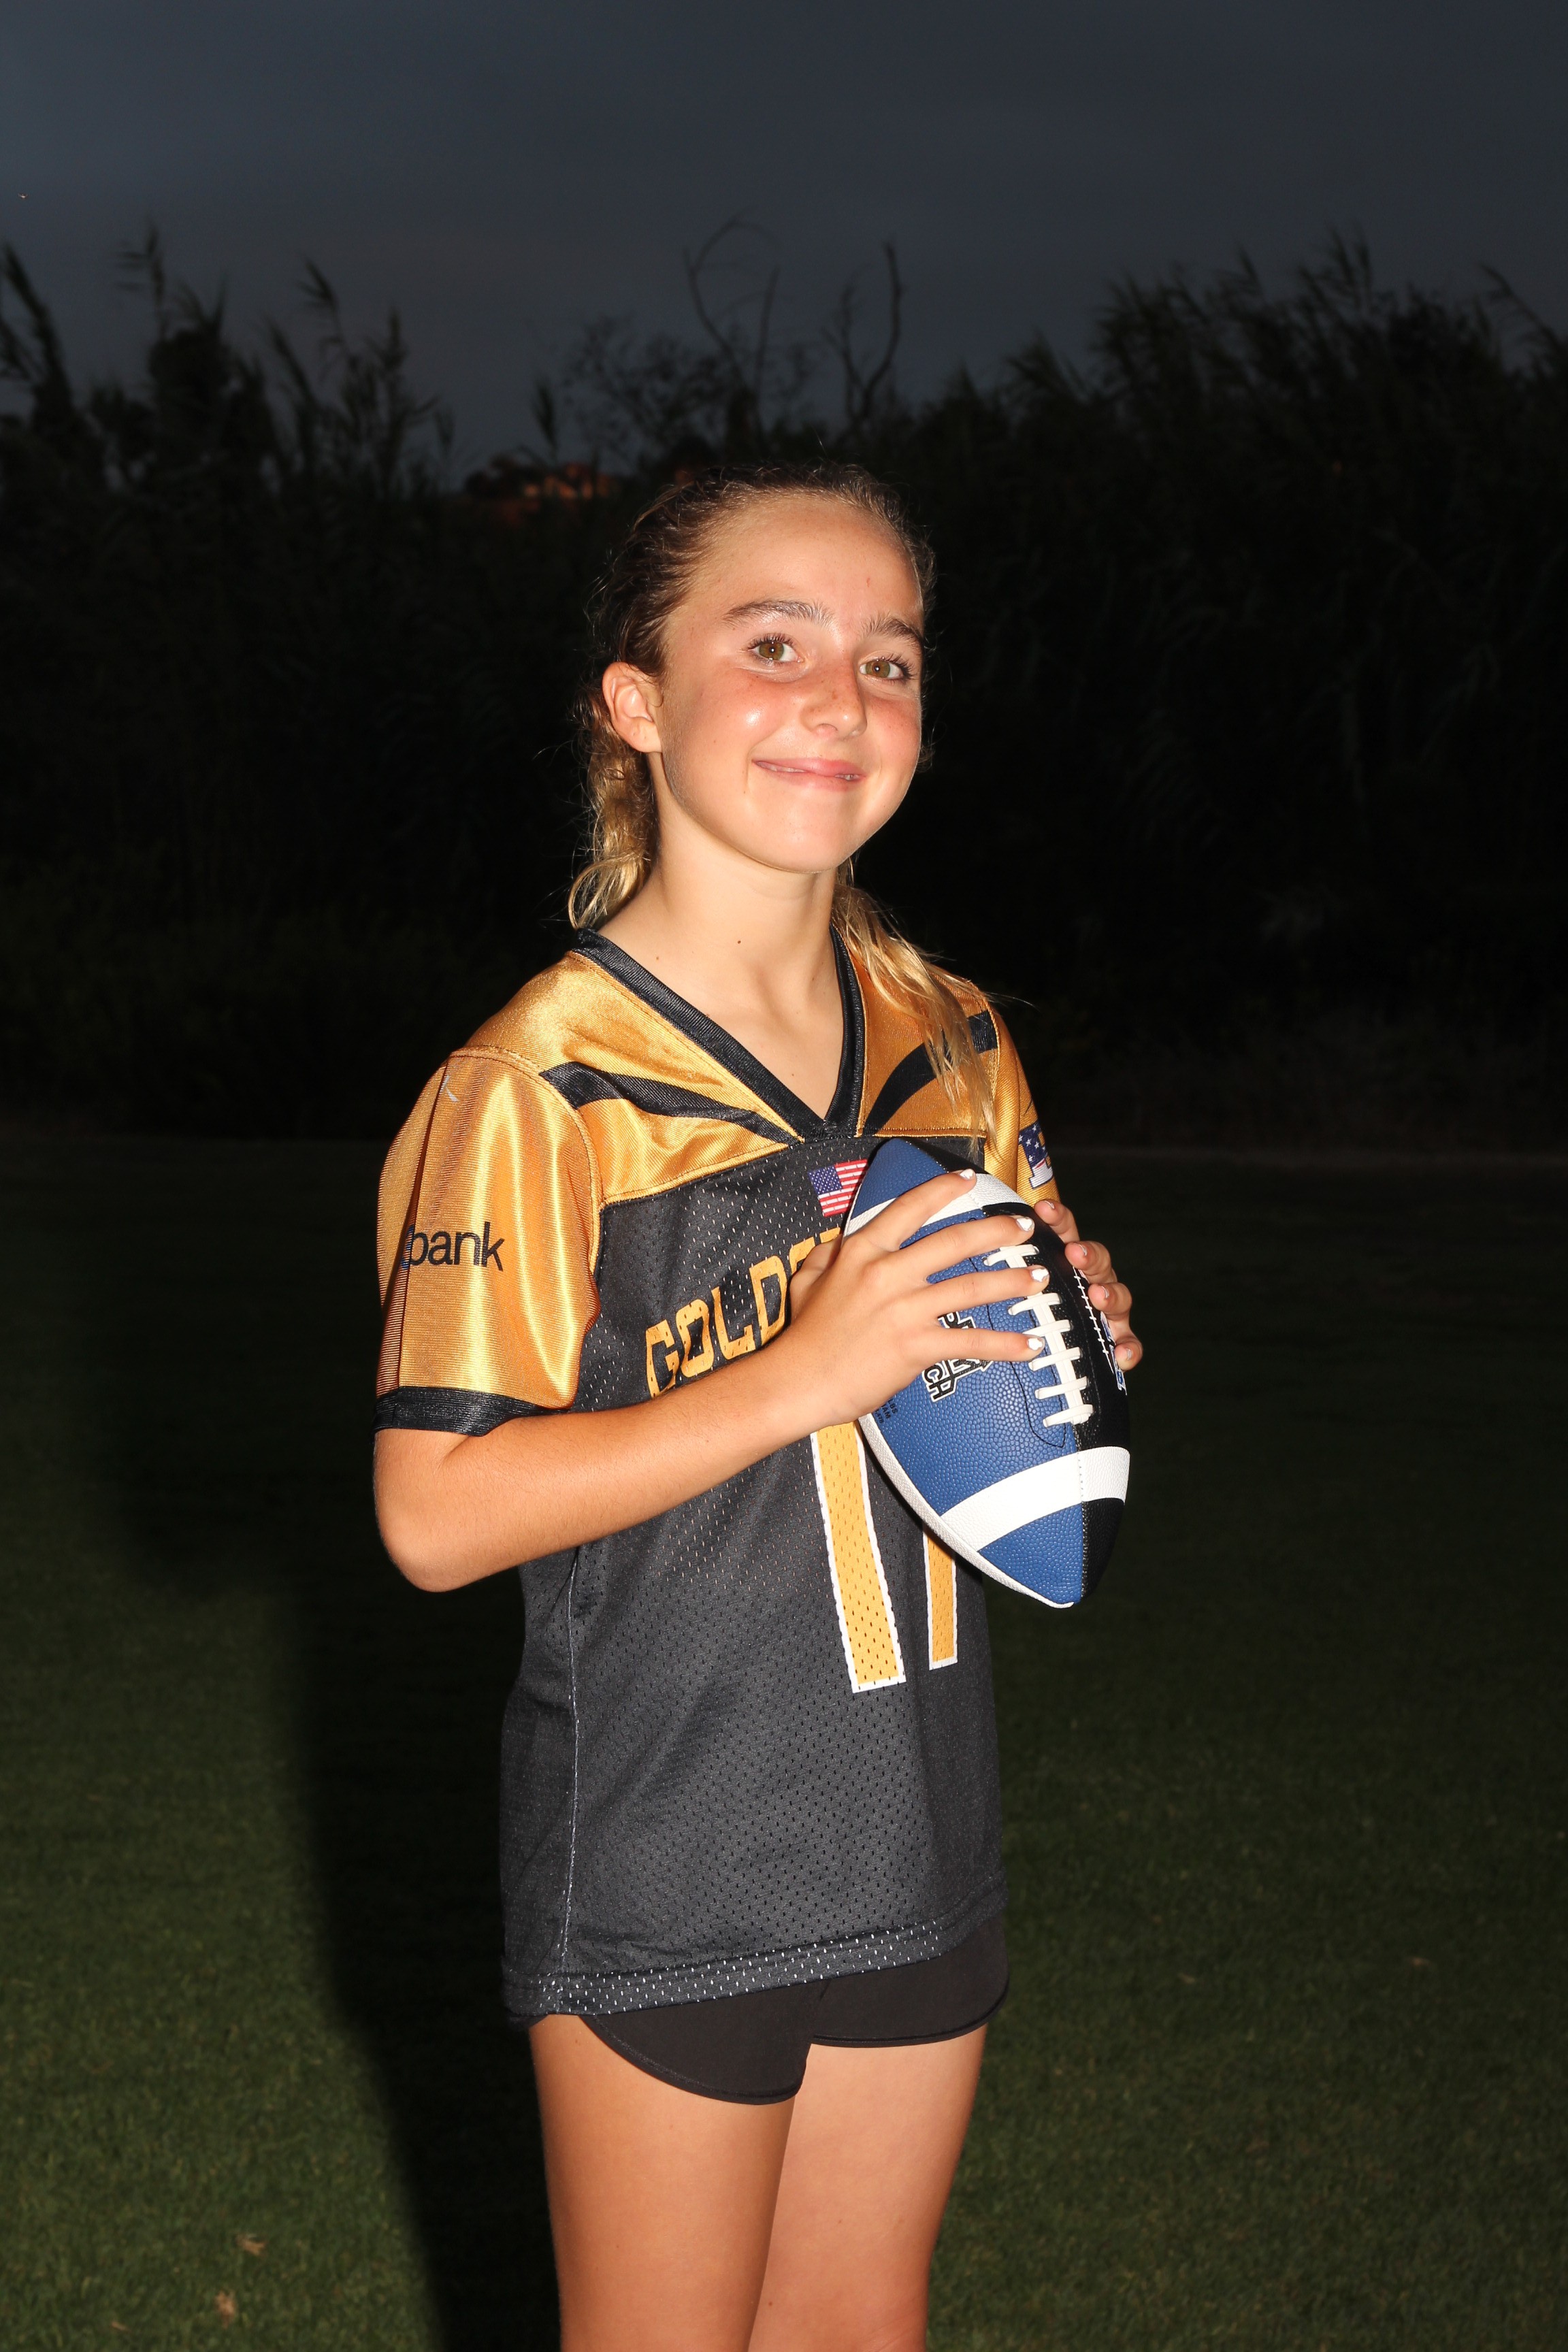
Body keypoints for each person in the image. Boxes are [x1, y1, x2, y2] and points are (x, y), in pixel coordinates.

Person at [373, 463, 1141, 2352]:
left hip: (914, 1817)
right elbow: (434, 1515)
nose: (842, 700)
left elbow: (974, 1396)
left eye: (890, 659)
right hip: (671, 1846)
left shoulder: (956, 1036)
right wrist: (808, 1370)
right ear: (635, 700)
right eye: (774, 644)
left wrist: (1068, 1341)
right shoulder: (540, 1085)